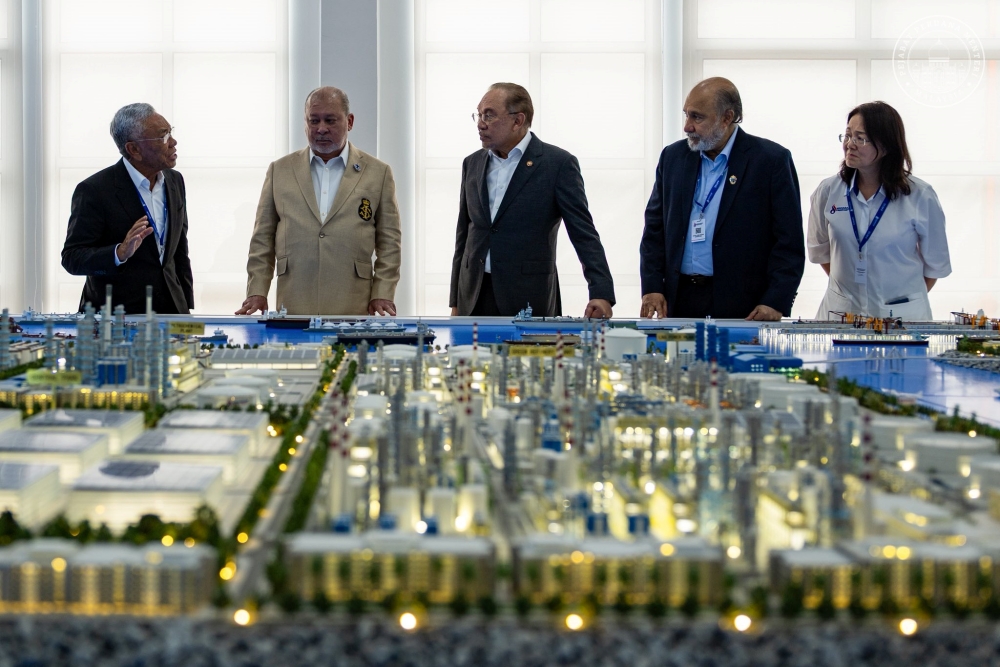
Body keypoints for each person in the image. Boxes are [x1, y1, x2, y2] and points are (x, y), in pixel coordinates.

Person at [639, 77, 804, 320]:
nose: (687, 126)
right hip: (680, 299)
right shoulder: (673, 157)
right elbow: (654, 230)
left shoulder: (770, 161)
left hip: (744, 306)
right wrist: (652, 286)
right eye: (686, 115)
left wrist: (775, 300)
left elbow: (789, 242)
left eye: (697, 117)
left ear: (727, 118)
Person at [449, 82, 615, 318]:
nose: (480, 123)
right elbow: (464, 235)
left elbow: (584, 234)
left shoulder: (557, 164)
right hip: (473, 296)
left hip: (528, 297)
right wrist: (455, 301)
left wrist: (601, 292)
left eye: (489, 115)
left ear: (518, 120)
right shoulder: (472, 163)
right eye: (479, 114)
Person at [238, 86, 401, 316]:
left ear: (349, 121)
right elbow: (262, 238)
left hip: (354, 303)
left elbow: (389, 242)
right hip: (294, 301)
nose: (321, 128)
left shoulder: (378, 172)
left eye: (330, 120)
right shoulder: (280, 170)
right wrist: (257, 290)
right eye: (313, 121)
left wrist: (383, 292)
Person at [808, 102, 950, 320]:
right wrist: (849, 291)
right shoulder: (828, 191)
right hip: (841, 313)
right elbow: (820, 250)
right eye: (847, 136)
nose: (850, 145)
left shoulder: (920, 195)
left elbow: (935, 265)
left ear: (886, 145)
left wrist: (903, 300)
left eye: (860, 138)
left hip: (900, 317)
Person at [61, 103, 193, 314]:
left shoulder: (175, 181)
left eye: (171, 132)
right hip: (116, 316)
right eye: (163, 136)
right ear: (134, 149)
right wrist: (119, 252)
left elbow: (179, 249)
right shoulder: (94, 190)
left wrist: (185, 305)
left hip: (171, 310)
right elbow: (72, 258)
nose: (173, 142)